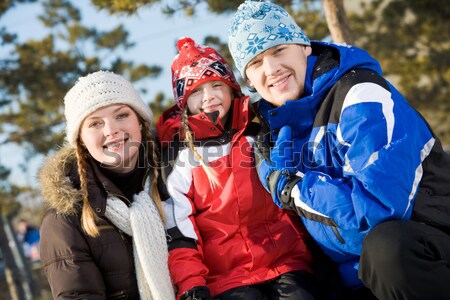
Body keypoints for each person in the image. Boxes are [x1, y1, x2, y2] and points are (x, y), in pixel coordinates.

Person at [228, 1, 450, 299]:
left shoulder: (359, 94)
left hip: (425, 249)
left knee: (386, 248)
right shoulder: (272, 136)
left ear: (304, 46)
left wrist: (294, 190)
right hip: (355, 277)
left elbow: (376, 210)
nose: (271, 69)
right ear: (249, 80)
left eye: (278, 50)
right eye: (255, 63)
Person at [156, 37, 318, 300]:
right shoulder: (181, 158)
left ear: (232, 89)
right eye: (196, 91)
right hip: (226, 279)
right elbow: (180, 231)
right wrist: (190, 283)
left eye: (216, 85)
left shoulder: (259, 135)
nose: (208, 98)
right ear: (184, 103)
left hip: (287, 263)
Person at [38, 71, 175, 299]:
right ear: (81, 138)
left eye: (121, 115)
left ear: (140, 121)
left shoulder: (181, 179)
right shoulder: (66, 219)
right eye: (95, 123)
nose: (111, 130)